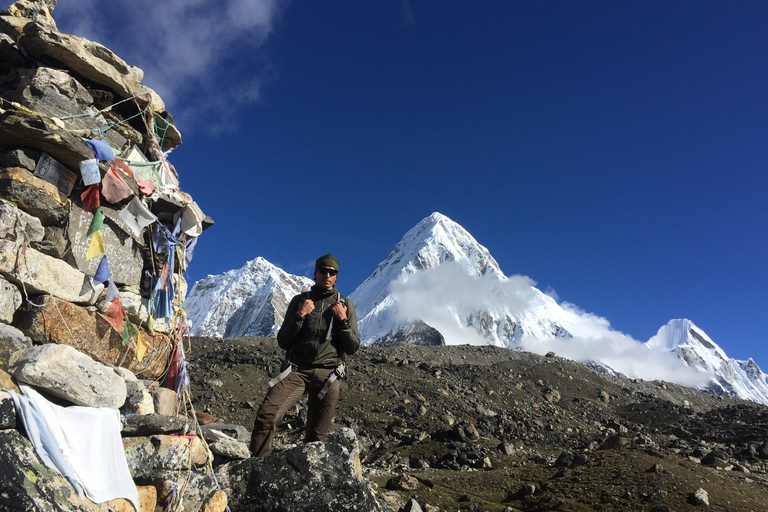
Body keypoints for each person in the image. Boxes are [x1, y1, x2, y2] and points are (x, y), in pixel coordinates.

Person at [249, 254, 361, 457]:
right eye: (323, 271)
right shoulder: (300, 301)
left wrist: (343, 320)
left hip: (329, 374)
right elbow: (283, 341)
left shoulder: (345, 305)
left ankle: (308, 479)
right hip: (297, 370)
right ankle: (257, 467)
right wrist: (300, 316)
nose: (327, 275)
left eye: (332, 272)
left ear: (336, 276)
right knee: (267, 414)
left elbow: (353, 347)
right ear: (315, 273)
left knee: (318, 436)